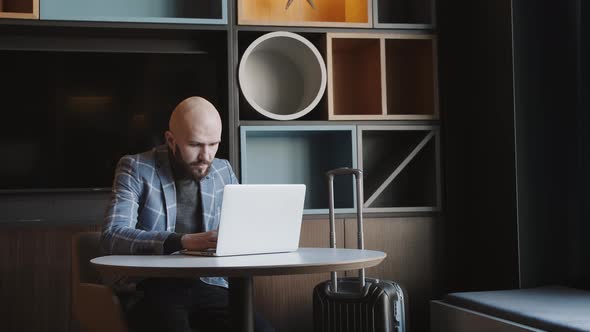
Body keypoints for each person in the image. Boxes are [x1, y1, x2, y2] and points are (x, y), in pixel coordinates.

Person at [100, 96, 274, 332]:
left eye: (213, 144)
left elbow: (240, 232)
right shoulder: (136, 168)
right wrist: (184, 241)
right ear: (171, 140)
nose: (206, 156)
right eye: (195, 145)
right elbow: (112, 236)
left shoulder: (223, 170)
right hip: (152, 285)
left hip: (209, 284)